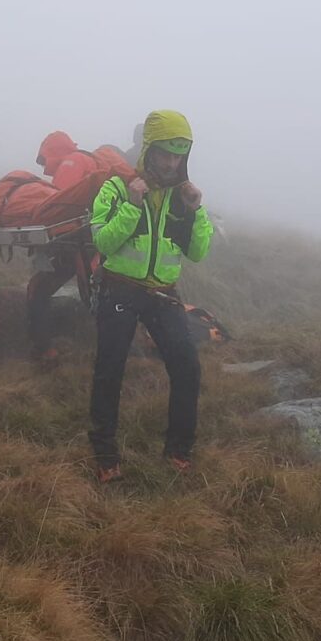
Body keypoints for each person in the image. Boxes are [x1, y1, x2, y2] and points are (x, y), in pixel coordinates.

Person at [87, 110, 213, 483]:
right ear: (149, 150)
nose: (172, 163)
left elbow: (198, 253)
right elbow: (103, 242)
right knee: (110, 370)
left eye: (179, 156)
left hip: (163, 294)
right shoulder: (115, 187)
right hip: (119, 288)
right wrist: (131, 204)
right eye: (165, 154)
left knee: (187, 367)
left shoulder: (182, 197)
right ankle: (105, 454)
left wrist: (196, 211)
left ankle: (178, 450)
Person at [27, 132, 100, 361]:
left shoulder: (72, 161)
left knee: (38, 290)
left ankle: (44, 351)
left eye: (43, 159)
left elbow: (57, 204)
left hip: (78, 242)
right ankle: (119, 354)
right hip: (89, 241)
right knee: (94, 297)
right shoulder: (85, 160)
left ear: (53, 151)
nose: (43, 166)